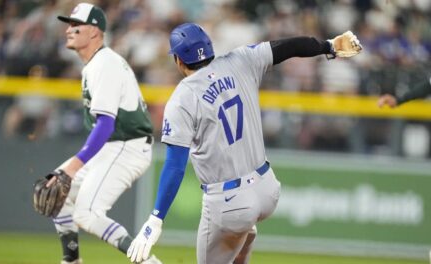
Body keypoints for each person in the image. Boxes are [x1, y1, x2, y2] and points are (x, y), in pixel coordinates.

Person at [127, 23, 362, 263]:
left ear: (178, 60)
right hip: (266, 188)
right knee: (238, 245)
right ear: (209, 47)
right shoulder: (241, 59)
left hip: (230, 203)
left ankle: (241, 229)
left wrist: (156, 218)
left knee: (229, 232)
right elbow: (288, 47)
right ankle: (243, 234)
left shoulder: (182, 98)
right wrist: (328, 46)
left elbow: (175, 166)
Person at [53, 3, 160, 264]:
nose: (69, 30)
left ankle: (149, 262)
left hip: (127, 145)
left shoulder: (105, 63)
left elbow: (105, 125)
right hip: (115, 146)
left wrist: (73, 167)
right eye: (69, 24)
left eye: (76, 25)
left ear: (94, 32)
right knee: (58, 194)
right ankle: (71, 261)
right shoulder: (95, 64)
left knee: (87, 213)